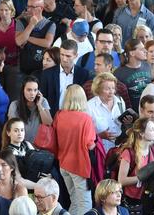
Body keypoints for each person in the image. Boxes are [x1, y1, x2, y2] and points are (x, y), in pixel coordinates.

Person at [54, 85, 96, 215]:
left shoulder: (59, 115)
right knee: (84, 202)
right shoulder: (85, 119)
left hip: (63, 163)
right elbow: (90, 145)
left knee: (74, 200)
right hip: (79, 165)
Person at [40, 40, 89, 116]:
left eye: (68, 56)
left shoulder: (83, 74)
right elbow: (43, 98)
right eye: (62, 55)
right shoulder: (47, 74)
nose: (64, 59)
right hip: (52, 118)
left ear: (76, 55)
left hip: (75, 117)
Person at [6, 76, 52, 144]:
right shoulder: (14, 105)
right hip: (21, 144)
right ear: (23, 90)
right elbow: (12, 128)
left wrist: (39, 105)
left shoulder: (43, 101)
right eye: (29, 90)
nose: (32, 93)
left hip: (39, 145)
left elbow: (49, 123)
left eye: (35, 90)